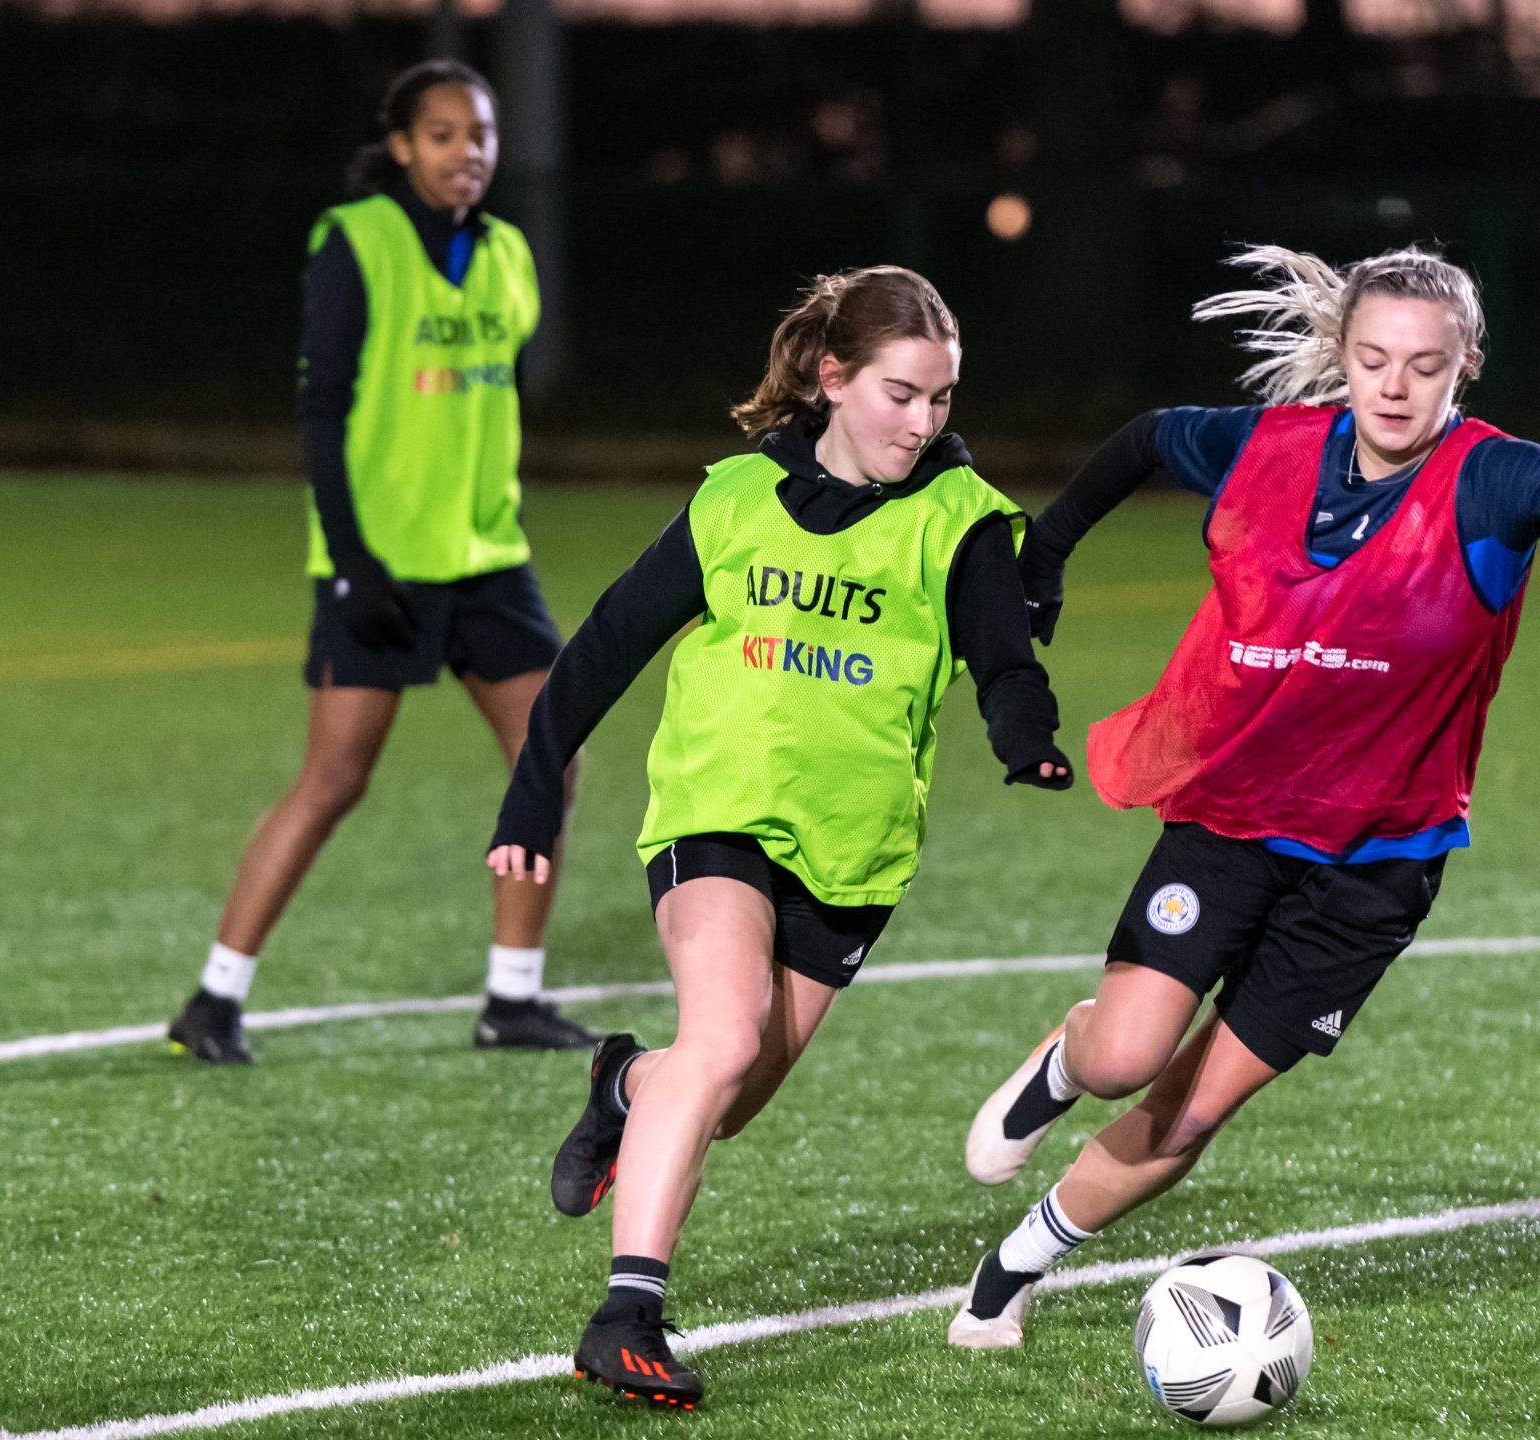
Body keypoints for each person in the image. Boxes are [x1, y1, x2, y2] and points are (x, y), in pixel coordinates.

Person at [945, 243, 1540, 1348]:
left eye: (1423, 365)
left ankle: (1011, 1271)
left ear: (1467, 368)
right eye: (1372, 359)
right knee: (1124, 1059)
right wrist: (1048, 547)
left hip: (1376, 863)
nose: (1395, 387)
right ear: (1342, 359)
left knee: (1188, 1113)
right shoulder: (1267, 446)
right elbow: (1149, 436)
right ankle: (1067, 1060)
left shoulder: (1488, 476)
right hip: (1234, 813)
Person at [487, 265, 1074, 1409]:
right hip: (717, 811)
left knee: (729, 1092)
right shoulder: (737, 499)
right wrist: (528, 795)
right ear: (832, 375)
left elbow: (1004, 658)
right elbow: (604, 646)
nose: (925, 422)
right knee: (719, 1038)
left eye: (943, 399)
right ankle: (627, 1313)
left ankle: (624, 1085)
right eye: (902, 394)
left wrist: (1026, 738)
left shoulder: (957, 522)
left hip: (852, 851)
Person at [167, 60, 596, 1064]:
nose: (466, 153)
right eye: (442, 134)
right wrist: (351, 559)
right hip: (382, 563)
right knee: (332, 782)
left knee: (551, 763)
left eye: (480, 135)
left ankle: (512, 997)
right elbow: (322, 408)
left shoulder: (507, 255)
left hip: (488, 557)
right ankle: (215, 997)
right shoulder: (354, 239)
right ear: (402, 146)